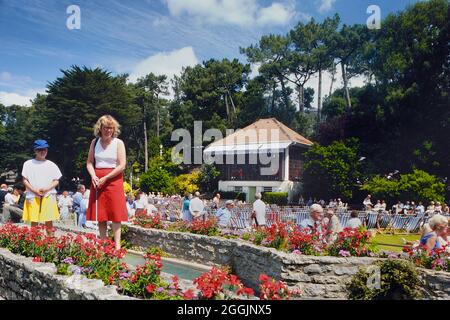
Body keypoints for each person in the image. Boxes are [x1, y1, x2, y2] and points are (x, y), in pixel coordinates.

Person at [86, 115, 128, 250]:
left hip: (114, 179)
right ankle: (103, 244)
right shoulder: (94, 142)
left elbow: (122, 165)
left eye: (111, 128)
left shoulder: (118, 143)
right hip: (98, 180)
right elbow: (89, 163)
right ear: (100, 128)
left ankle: (117, 246)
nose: (108, 131)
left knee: (116, 214)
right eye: (105, 128)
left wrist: (107, 177)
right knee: (101, 214)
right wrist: (93, 175)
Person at [21, 139, 62, 236]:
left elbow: (56, 180)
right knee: (34, 219)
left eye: (45, 149)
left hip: (48, 193)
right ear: (35, 150)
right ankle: (34, 241)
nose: (42, 152)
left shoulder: (51, 165)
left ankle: (50, 240)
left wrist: (47, 188)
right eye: (40, 150)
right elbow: (24, 180)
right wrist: (34, 190)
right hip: (32, 193)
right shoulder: (28, 164)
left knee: (49, 219)